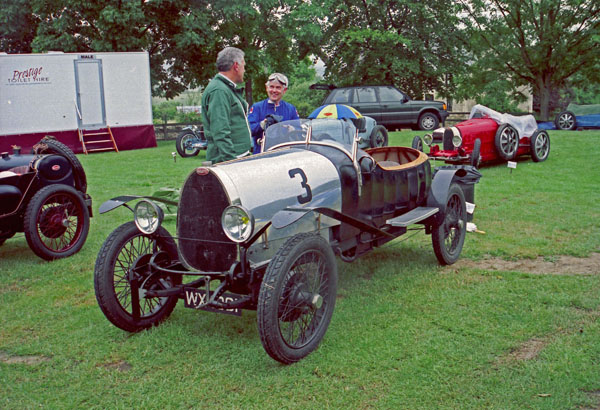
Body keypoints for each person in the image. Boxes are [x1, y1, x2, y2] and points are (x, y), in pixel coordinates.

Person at [201, 47, 252, 164]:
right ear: (236, 66)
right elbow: (220, 131)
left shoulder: (225, 89)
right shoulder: (219, 90)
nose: (244, 70)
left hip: (238, 156)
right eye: (243, 66)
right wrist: (231, 162)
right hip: (228, 160)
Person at [247, 73, 299, 153]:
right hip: (262, 154)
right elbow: (248, 130)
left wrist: (291, 129)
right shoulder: (257, 107)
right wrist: (262, 125)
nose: (274, 90)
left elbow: (300, 131)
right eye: (271, 87)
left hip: (284, 154)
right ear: (266, 87)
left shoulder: (290, 109)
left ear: (284, 90)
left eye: (278, 88)